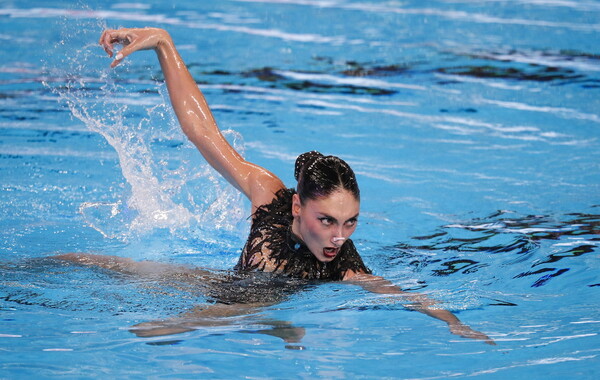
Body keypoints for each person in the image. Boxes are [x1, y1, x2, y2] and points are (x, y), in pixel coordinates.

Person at [57, 27, 494, 344]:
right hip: (226, 287)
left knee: (187, 325)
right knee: (80, 260)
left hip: (256, 304)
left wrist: (453, 321)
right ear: (297, 206)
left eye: (350, 222)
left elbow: (402, 295)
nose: (339, 236)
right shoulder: (268, 194)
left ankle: (270, 326)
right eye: (327, 220)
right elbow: (203, 133)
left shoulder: (342, 265)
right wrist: (163, 44)